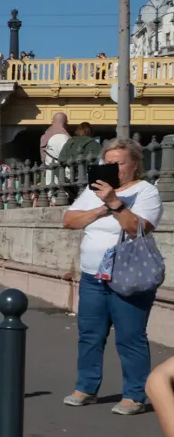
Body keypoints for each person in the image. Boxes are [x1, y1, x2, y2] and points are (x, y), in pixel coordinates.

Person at [63, 137, 163, 415]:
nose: (113, 169)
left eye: (118, 163)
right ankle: (86, 387)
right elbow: (69, 220)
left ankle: (134, 395)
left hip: (128, 277)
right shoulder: (93, 191)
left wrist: (116, 204)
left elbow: (139, 228)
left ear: (134, 164)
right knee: (90, 334)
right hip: (93, 276)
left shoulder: (146, 192)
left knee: (130, 337)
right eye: (107, 163)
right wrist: (100, 207)